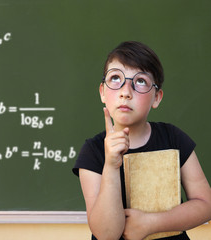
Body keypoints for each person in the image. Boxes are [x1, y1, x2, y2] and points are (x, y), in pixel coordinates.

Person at [72, 41, 211, 240]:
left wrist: (151, 223)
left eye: (140, 81)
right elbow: (106, 233)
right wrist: (111, 165)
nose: (126, 92)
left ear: (156, 97)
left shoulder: (173, 138)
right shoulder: (93, 151)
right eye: (115, 78)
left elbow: (206, 204)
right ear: (102, 92)